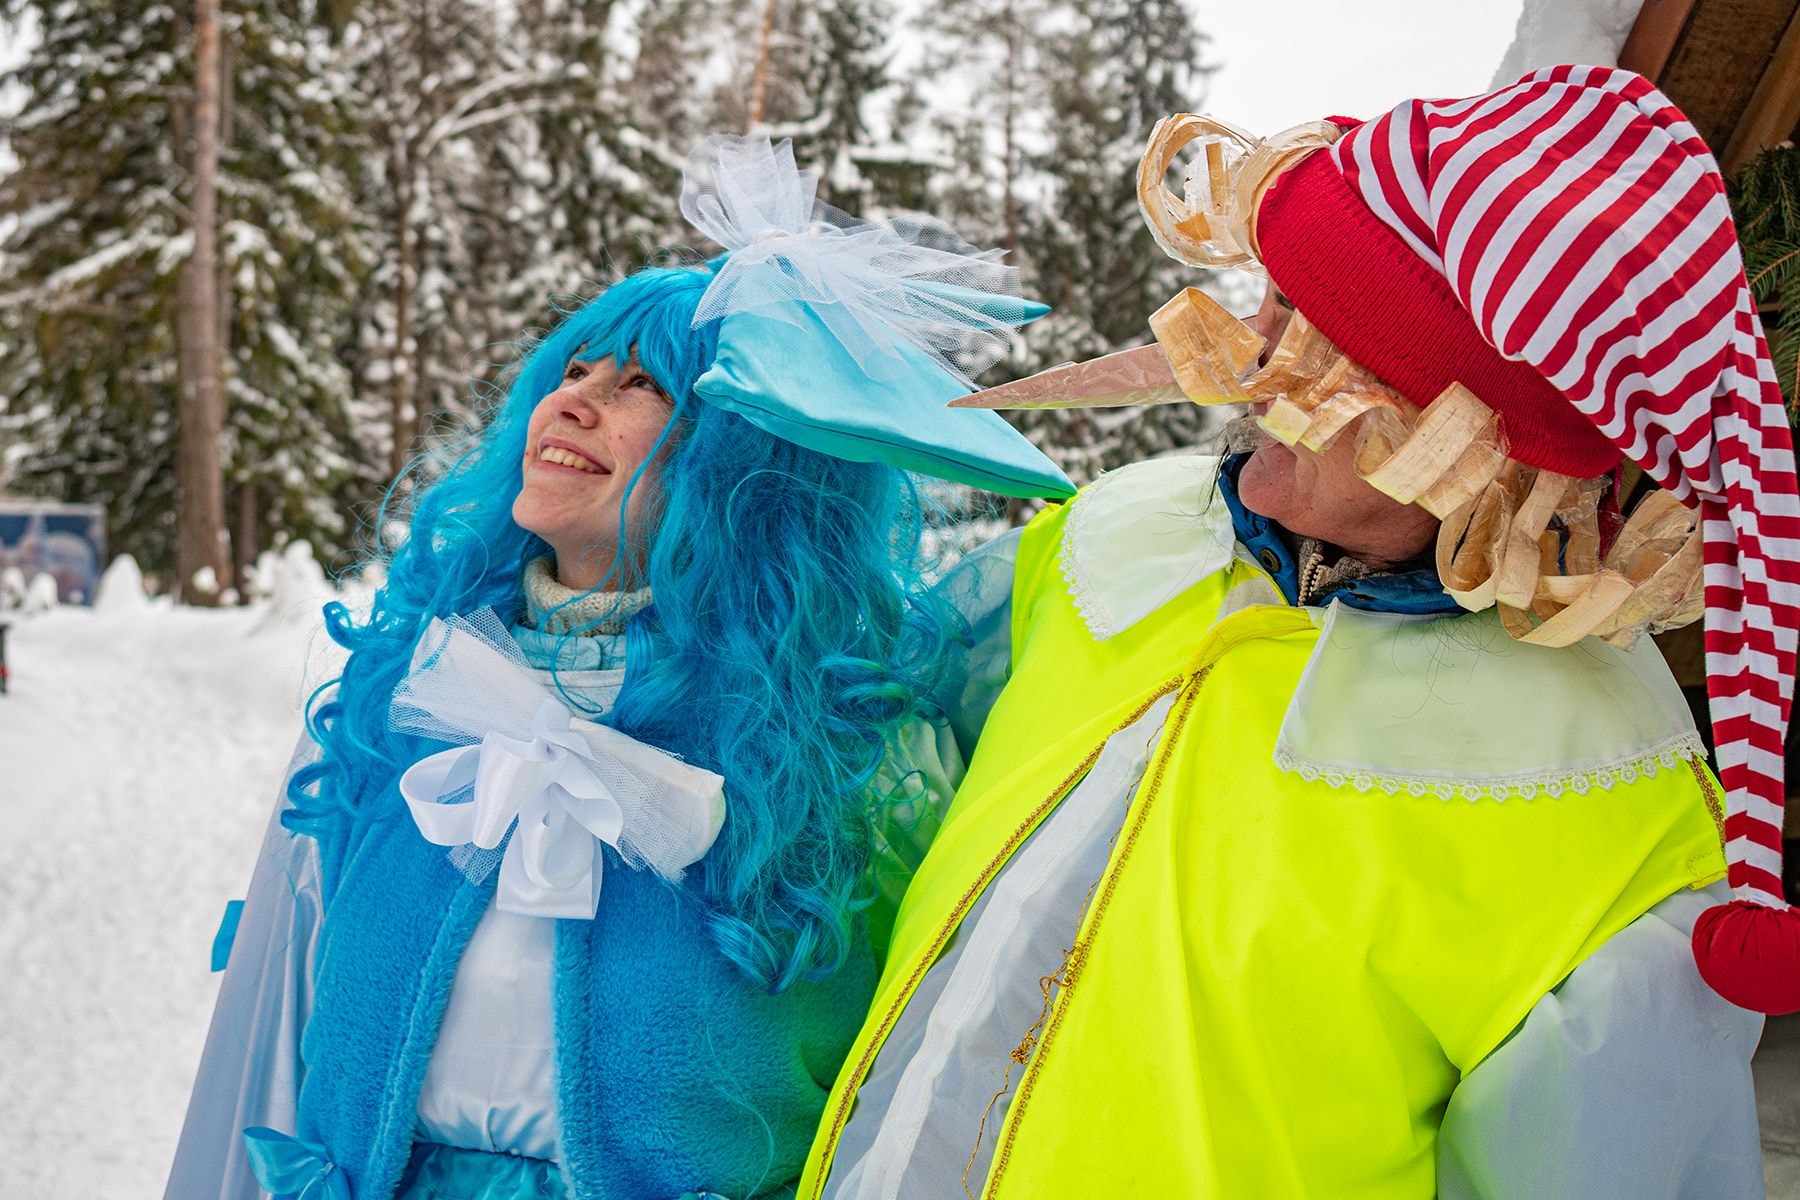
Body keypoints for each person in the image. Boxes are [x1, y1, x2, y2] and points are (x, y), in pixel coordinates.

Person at [797, 66, 1796, 1198]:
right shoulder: (1114, 534)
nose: (1266, 349)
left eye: (1336, 343)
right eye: (1281, 296)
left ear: (1485, 456)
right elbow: (869, 751)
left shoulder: (1605, 807)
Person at [164, 135, 1073, 1200]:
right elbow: (273, 1018)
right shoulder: (413, 690)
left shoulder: (858, 749)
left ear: (750, 460)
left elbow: (934, 1073)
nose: (573, 401)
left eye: (641, 386)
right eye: (573, 370)